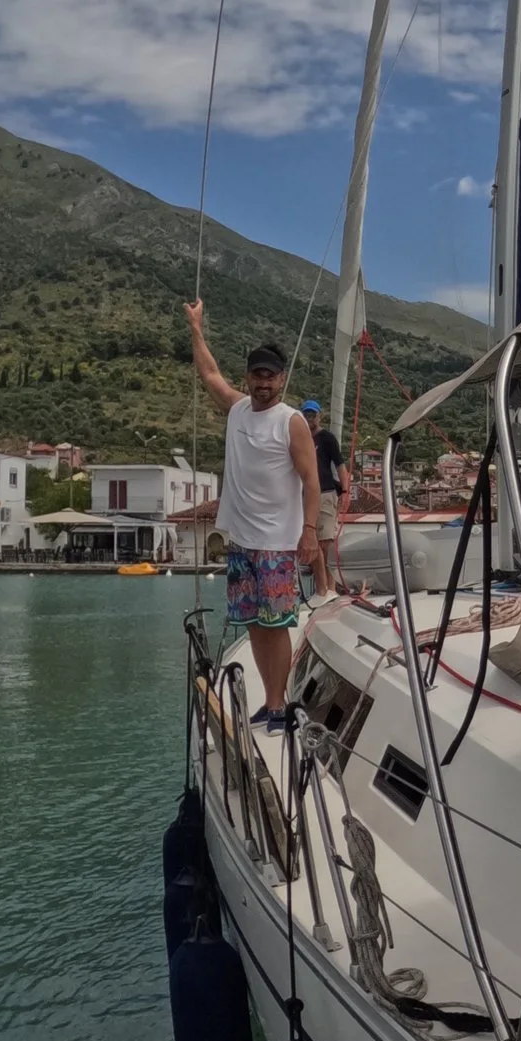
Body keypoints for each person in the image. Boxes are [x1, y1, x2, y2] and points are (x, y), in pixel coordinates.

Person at [185, 304, 323, 728]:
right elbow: (210, 374)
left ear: (281, 379)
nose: (263, 383)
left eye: (271, 376)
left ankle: (280, 705)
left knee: (276, 625)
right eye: (257, 375)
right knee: (255, 625)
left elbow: (312, 481)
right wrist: (195, 327)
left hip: (277, 543)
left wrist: (310, 532)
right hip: (242, 541)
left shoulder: (291, 422)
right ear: (248, 377)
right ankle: (271, 701)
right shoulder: (237, 409)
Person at [302, 398, 345, 581]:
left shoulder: (327, 438)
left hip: (326, 493)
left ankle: (331, 587)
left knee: (326, 542)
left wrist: (345, 492)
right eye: (306, 414)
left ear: (319, 416)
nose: (309, 418)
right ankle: (321, 586)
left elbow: (340, 465)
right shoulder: (299, 437)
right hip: (304, 495)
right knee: (311, 541)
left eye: (312, 415)